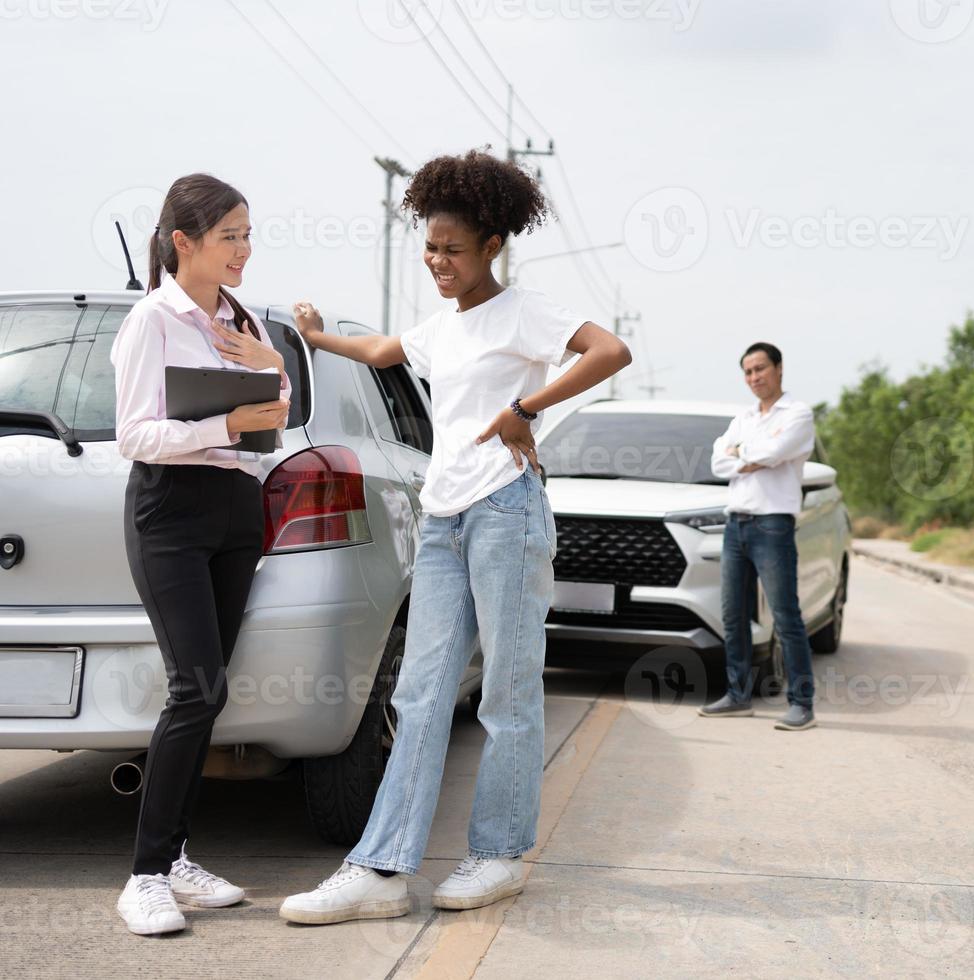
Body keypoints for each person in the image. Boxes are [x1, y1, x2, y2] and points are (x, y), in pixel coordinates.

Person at [280, 149, 631, 925]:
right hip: (442, 520)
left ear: (493, 245)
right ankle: (380, 869)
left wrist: (528, 409)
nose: (439, 262)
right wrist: (312, 335)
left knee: (507, 690)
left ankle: (499, 854)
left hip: (506, 509)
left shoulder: (526, 310)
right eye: (431, 249)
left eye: (454, 250)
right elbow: (381, 352)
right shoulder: (443, 325)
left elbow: (610, 351)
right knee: (421, 690)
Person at [111, 174, 293, 935]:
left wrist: (273, 360)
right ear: (183, 243)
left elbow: (277, 413)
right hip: (171, 509)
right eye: (231, 235)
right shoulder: (153, 319)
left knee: (211, 689)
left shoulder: (239, 313)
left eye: (249, 234)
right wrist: (225, 426)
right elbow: (134, 435)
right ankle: (146, 876)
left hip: (235, 508)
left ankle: (177, 857)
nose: (245, 249)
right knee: (193, 689)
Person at [699, 342, 818, 731]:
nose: (754, 378)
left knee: (785, 616)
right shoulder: (743, 417)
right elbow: (719, 462)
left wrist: (744, 453)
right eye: (748, 372)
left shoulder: (798, 414)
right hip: (736, 525)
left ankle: (801, 704)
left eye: (760, 369)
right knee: (733, 615)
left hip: (773, 525)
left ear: (779, 368)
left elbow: (777, 451)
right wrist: (747, 455)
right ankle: (737, 695)